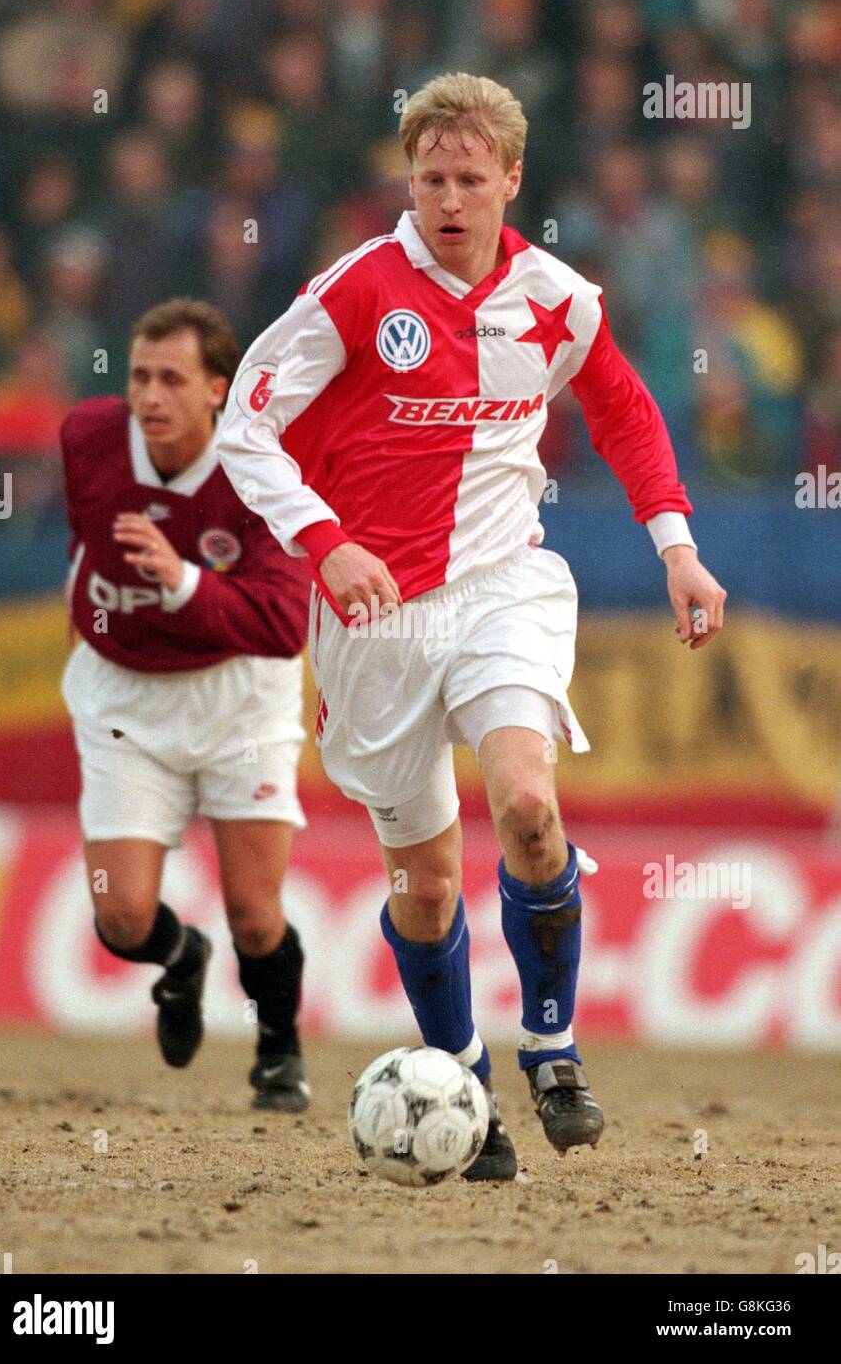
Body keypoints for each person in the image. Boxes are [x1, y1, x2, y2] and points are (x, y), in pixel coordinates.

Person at [217, 73, 727, 1180]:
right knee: (429, 884)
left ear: (510, 179)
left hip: (503, 584)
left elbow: (626, 412)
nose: (448, 197)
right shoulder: (354, 292)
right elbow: (241, 425)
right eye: (429, 176)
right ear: (408, 180)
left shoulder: (556, 299)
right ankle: (457, 1065)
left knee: (531, 808)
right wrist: (325, 539)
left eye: (468, 177)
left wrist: (676, 549)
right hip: (373, 617)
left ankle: (550, 1044)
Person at [60, 298, 312, 1112]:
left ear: (218, 391)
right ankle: (181, 960)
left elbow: (281, 624)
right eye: (139, 376)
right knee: (123, 916)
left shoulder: (260, 468)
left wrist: (182, 583)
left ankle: (279, 1050)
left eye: (172, 378)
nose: (150, 397)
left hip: (240, 696)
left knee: (256, 914)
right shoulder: (88, 437)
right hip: (124, 694)